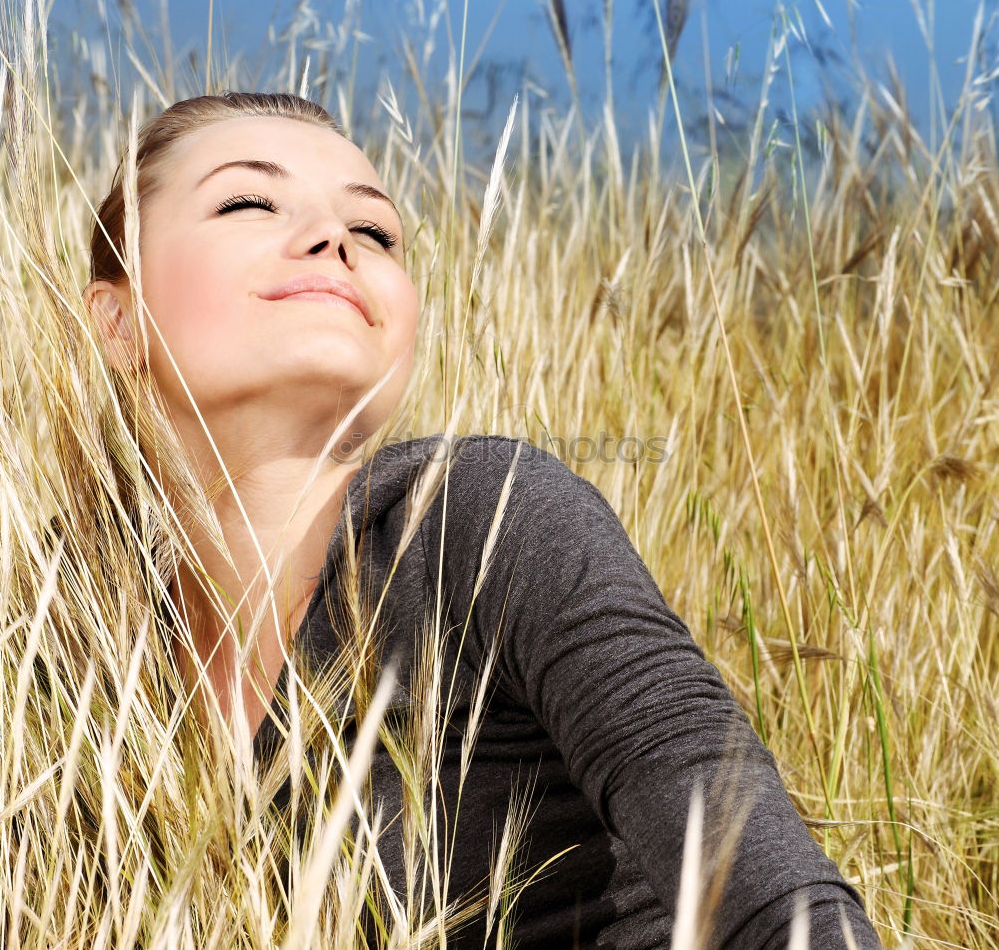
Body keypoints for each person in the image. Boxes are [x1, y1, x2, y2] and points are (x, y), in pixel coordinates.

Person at [82, 92, 883, 949]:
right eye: (249, 201)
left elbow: (782, 907)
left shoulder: (484, 514)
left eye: (377, 232)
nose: (333, 239)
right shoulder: (75, 627)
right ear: (118, 320)